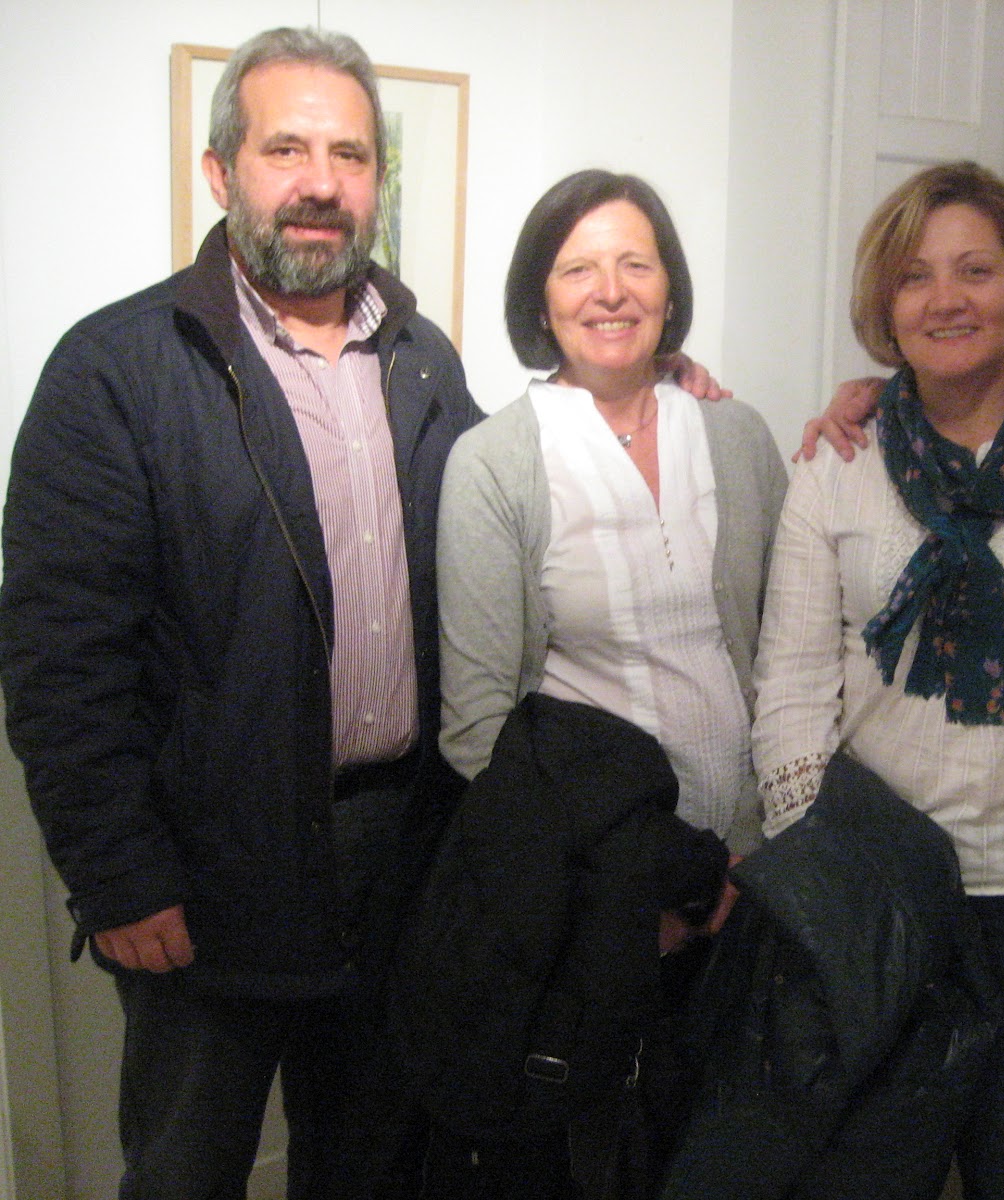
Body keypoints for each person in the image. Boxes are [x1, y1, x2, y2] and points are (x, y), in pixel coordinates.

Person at [0, 29, 719, 1200]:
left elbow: (517, 512)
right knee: (186, 1169)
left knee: (373, 1165)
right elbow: (59, 657)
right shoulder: (118, 370)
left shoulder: (421, 357)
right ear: (221, 171)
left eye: (349, 154)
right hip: (214, 870)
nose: (321, 182)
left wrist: (657, 386)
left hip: (408, 862)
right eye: (285, 148)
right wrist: (117, 875)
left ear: (378, 180)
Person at [752, 161, 1004, 1200]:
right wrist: (822, 864)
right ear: (885, 307)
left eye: (976, 269)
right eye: (915, 276)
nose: (945, 298)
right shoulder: (838, 461)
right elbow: (790, 685)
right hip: (880, 888)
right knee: (870, 1172)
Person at [430, 168, 787, 1192]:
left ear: (670, 289)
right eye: (578, 268)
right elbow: (480, 730)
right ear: (539, 299)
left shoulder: (736, 435)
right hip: (601, 906)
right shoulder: (494, 463)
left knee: (741, 1157)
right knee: (611, 1163)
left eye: (636, 263)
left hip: (758, 879)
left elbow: (789, 656)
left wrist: (754, 859)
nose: (611, 290)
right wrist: (638, 892)